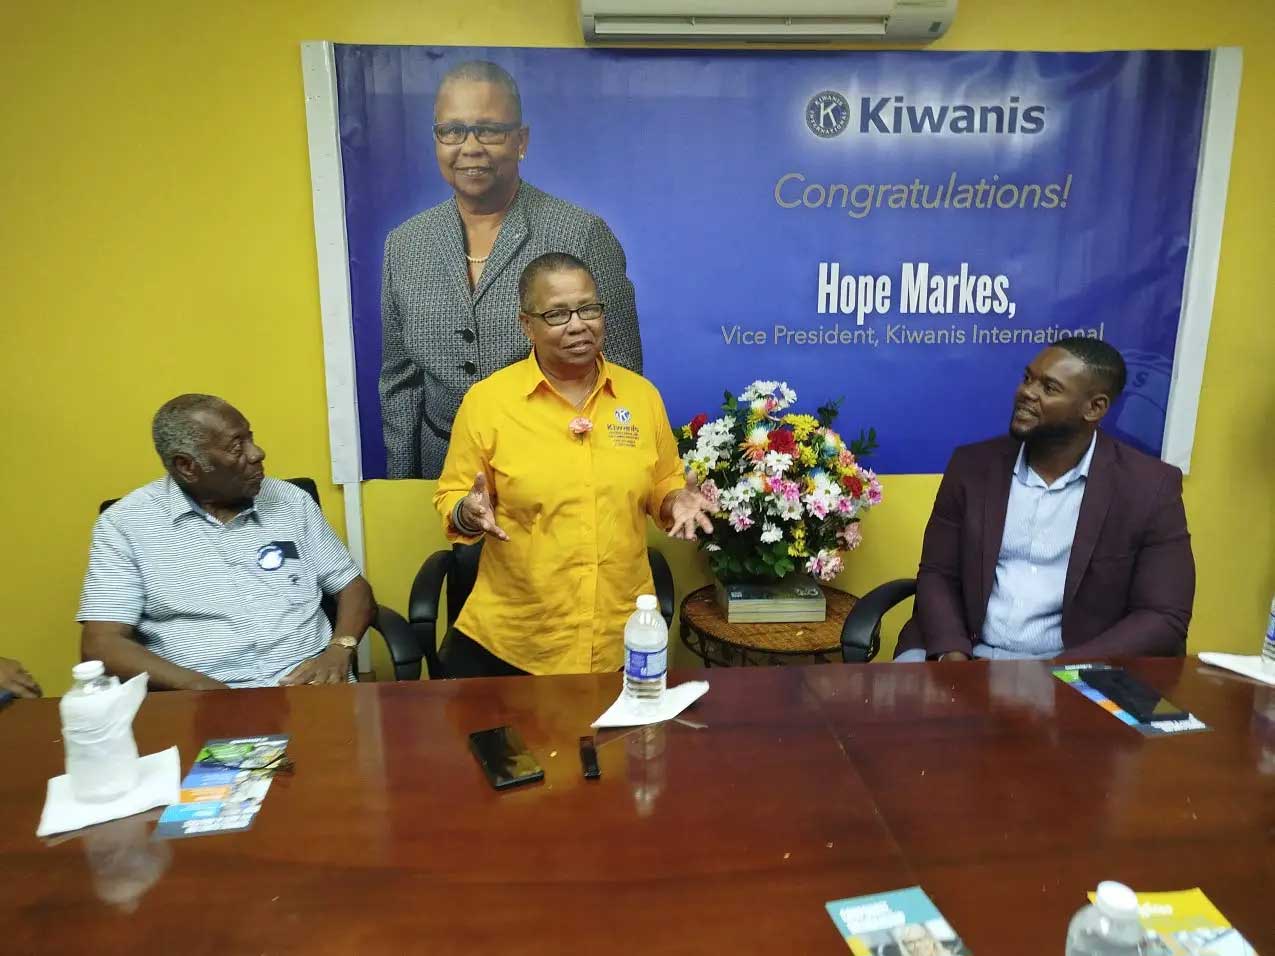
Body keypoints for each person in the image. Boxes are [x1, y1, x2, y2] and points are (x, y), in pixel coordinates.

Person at [432, 253, 710, 678]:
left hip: (618, 641)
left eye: (588, 309)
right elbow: (453, 496)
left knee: (616, 747)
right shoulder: (488, 403)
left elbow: (662, 483)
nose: (578, 325)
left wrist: (676, 501)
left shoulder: (640, 397)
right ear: (528, 324)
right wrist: (467, 512)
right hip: (516, 644)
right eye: (558, 314)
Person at [380, 59, 643, 479]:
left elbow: (622, 373)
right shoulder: (405, 245)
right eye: (451, 130)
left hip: (559, 471)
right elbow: (400, 385)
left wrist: (605, 479)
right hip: (444, 472)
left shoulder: (582, 234)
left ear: (521, 140)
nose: (469, 147)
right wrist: (404, 487)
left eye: (488, 130)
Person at [894, 340, 1194, 662]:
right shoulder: (971, 466)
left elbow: (1164, 615)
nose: (1027, 392)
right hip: (965, 648)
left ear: (1094, 408)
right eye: (1028, 378)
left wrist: (1060, 671)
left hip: (1072, 662)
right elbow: (938, 573)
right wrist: (952, 656)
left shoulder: (1149, 486)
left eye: (1049, 387)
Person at [78, 395, 376, 689]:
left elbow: (352, 587)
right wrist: (198, 687)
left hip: (311, 686)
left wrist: (339, 649)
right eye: (237, 447)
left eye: (251, 438)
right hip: (199, 700)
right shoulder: (125, 525)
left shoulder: (290, 501)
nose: (257, 453)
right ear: (187, 466)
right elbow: (102, 643)